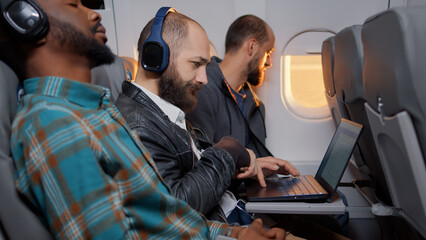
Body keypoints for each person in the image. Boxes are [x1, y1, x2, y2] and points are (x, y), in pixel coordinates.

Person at [1, 1, 286, 239]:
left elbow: (164, 216)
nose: (93, 12)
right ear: (27, 19)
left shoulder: (97, 112)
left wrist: (234, 235)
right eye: (73, 3)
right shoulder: (55, 123)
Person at [115, 8, 299, 226]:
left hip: (231, 214)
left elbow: (196, 173)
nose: (203, 78)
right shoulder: (139, 126)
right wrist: (229, 150)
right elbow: (175, 210)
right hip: (225, 225)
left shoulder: (164, 112)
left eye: (205, 66)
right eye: (196, 64)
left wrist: (246, 168)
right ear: (156, 58)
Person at [186, 14, 275, 158]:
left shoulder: (255, 105)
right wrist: (251, 166)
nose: (269, 62)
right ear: (252, 46)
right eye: (268, 52)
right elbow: (202, 161)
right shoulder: (202, 90)